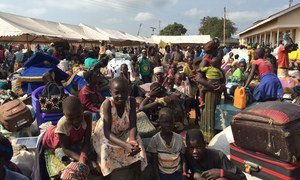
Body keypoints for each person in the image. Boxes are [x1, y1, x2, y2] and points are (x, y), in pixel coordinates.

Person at [92, 77, 147, 179]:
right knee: (105, 147)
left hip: (124, 130)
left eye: (124, 92)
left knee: (138, 144)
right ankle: (107, 175)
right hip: (107, 133)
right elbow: (107, 133)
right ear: (110, 92)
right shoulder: (107, 104)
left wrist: (131, 140)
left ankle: (137, 174)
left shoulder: (131, 101)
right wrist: (125, 146)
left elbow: (133, 125)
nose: (120, 96)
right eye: (116, 93)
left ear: (129, 90)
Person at [41, 96, 98, 178]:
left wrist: (83, 157)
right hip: (59, 143)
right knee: (65, 159)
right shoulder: (63, 124)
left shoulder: (87, 116)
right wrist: (86, 161)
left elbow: (86, 141)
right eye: (70, 118)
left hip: (75, 141)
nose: (75, 121)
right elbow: (66, 149)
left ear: (82, 109)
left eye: (79, 116)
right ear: (64, 114)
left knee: (94, 153)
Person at [195, 40, 224, 142]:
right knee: (208, 114)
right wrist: (212, 86)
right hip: (208, 92)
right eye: (217, 49)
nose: (218, 51)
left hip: (214, 91)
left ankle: (213, 136)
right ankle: (208, 138)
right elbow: (198, 78)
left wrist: (221, 85)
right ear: (214, 50)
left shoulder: (213, 60)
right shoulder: (206, 61)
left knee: (213, 113)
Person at [147, 107, 186, 180]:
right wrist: (158, 178)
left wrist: (184, 173)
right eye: (165, 122)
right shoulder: (155, 139)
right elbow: (154, 163)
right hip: (162, 174)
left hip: (177, 173)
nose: (168, 125)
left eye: (171, 122)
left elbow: (183, 159)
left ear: (174, 122)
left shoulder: (179, 138)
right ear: (159, 122)